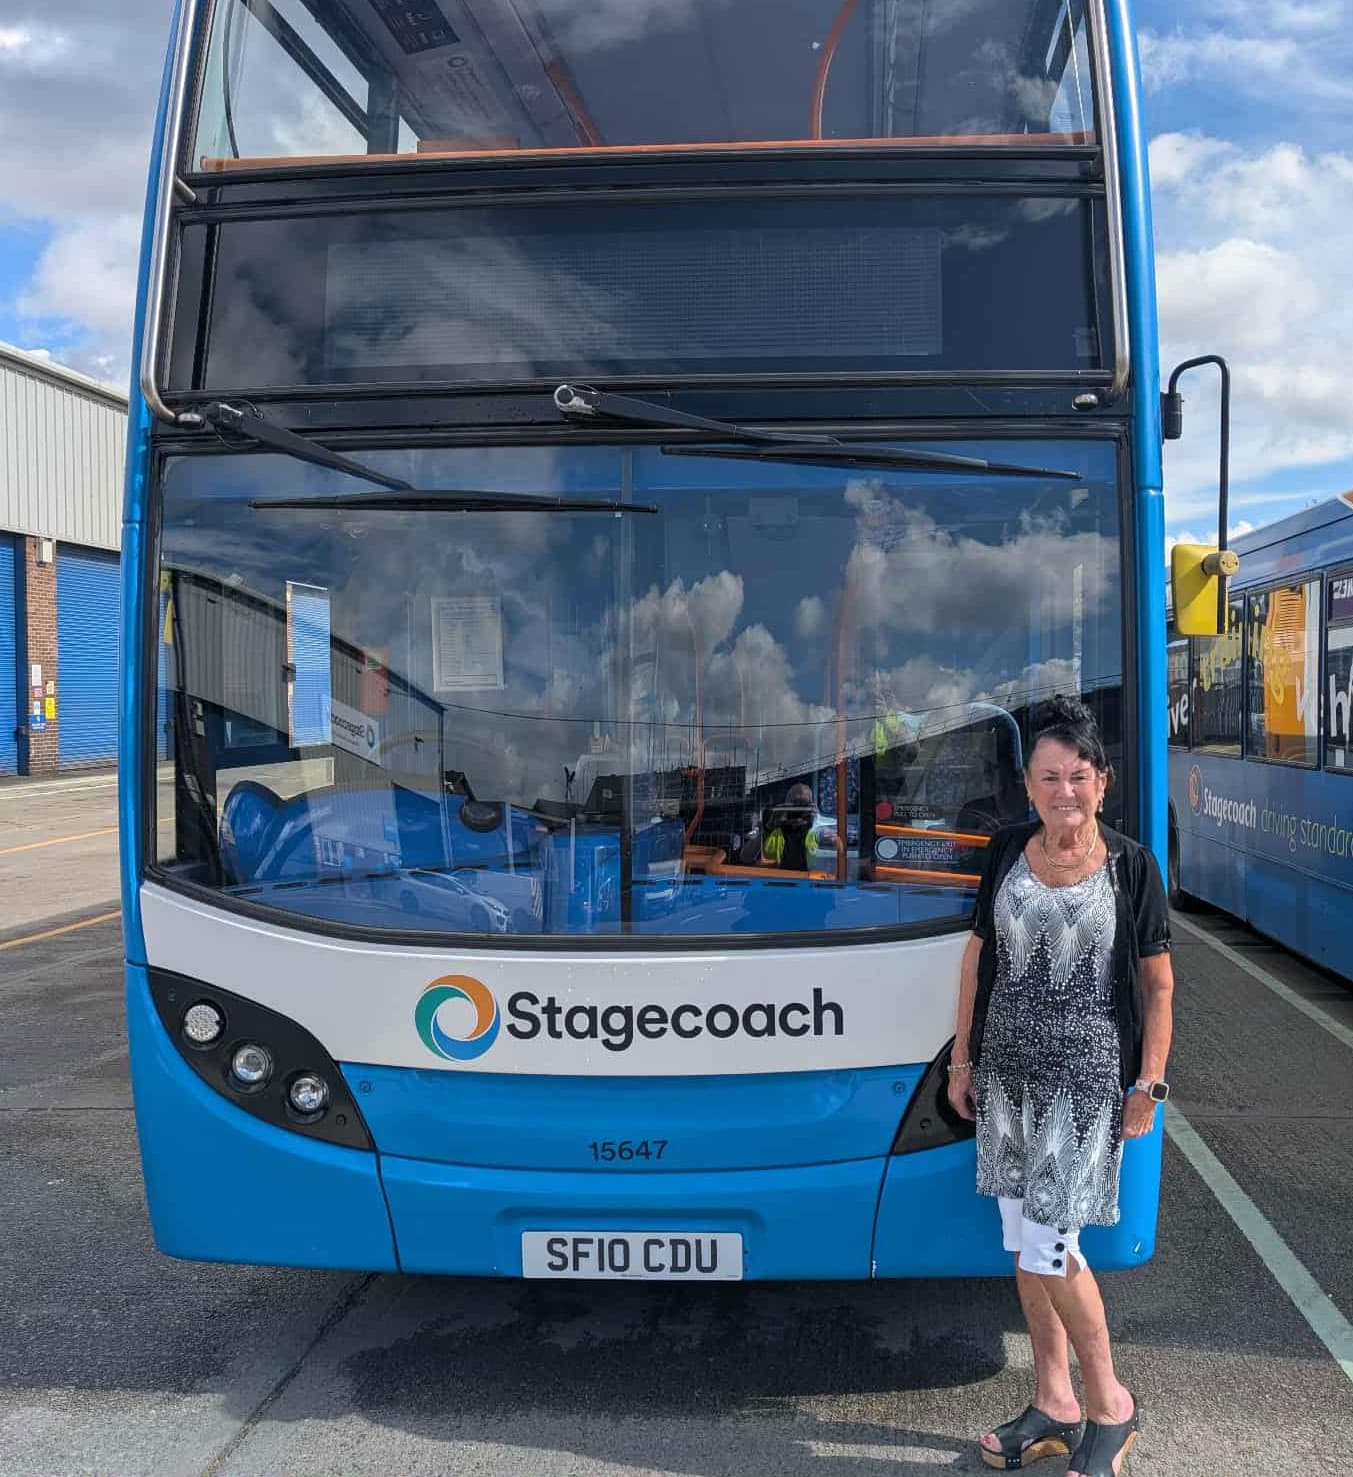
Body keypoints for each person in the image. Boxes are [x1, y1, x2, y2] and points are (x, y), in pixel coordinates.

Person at [947, 696, 1174, 1477]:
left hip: (1083, 1088)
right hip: (1007, 1079)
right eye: (1048, 776)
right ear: (1028, 783)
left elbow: (1158, 984)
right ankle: (1053, 1402)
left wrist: (1149, 1082)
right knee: (1024, 1243)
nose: (1062, 790)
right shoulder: (1008, 848)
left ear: (1101, 782)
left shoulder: (1130, 865)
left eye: (1077, 775)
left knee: (1051, 1247)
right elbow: (978, 957)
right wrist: (962, 1062)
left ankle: (1111, 1401)